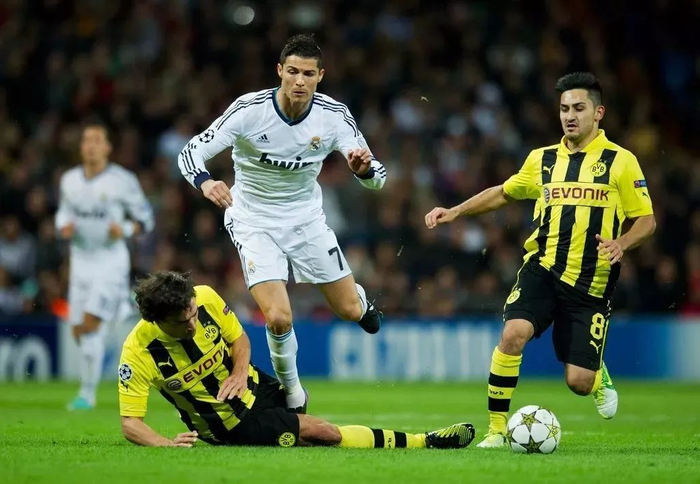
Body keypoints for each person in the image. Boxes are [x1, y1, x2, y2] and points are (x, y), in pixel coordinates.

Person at [425, 72, 656, 448]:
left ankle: (596, 374)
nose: (570, 116)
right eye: (564, 109)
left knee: (578, 382)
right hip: (543, 269)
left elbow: (646, 220)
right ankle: (496, 430)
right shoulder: (542, 159)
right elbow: (504, 192)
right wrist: (455, 211)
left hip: (591, 283)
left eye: (579, 108)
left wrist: (622, 243)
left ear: (598, 113)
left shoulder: (621, 161)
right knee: (512, 335)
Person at [177, 34, 384, 411]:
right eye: (292, 72)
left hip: (306, 221)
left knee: (349, 311)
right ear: (279, 71)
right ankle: (293, 393)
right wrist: (205, 182)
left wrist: (363, 171)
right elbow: (191, 151)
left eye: (308, 73)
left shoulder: (333, 116)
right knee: (277, 317)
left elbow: (378, 177)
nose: (299, 81)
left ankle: (360, 302)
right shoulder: (249, 111)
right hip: (252, 221)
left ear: (321, 76)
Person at [118, 271, 474, 449]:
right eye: (183, 323)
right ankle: (424, 441)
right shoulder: (139, 351)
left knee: (305, 421)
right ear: (157, 320)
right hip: (227, 424)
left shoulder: (206, 297)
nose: (193, 325)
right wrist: (166, 444)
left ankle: (292, 430)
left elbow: (239, 339)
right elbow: (130, 422)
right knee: (322, 431)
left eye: (194, 315)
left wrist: (240, 372)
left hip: (256, 387)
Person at [56, 122, 154, 410]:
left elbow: (146, 219)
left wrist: (125, 229)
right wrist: (63, 226)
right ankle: (123, 310)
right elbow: (63, 213)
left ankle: (87, 395)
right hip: (80, 262)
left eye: (97, 140)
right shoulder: (69, 180)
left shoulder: (123, 180)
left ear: (108, 147)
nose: (91, 146)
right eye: (87, 140)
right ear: (81, 147)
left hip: (110, 262)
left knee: (89, 323)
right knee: (79, 330)